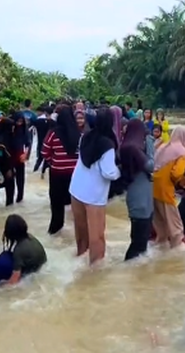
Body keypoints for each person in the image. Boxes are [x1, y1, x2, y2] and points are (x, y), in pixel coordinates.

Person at [69, 108, 120, 264]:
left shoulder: (85, 136)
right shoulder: (108, 144)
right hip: (94, 195)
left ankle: (80, 258)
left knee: (81, 230)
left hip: (76, 190)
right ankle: (95, 271)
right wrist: (120, 171)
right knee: (96, 235)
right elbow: (108, 173)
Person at [153, 126, 185, 249]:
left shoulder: (163, 146)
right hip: (165, 189)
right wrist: (178, 182)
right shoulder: (181, 152)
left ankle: (160, 249)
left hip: (153, 187)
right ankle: (177, 253)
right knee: (175, 225)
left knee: (161, 226)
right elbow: (177, 173)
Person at [42, 105, 80, 235]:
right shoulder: (78, 133)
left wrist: (52, 162)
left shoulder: (53, 133)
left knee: (57, 203)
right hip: (75, 175)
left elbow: (44, 151)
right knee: (76, 206)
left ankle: (55, 230)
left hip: (57, 173)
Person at [120, 119, 154, 260]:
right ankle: (128, 271)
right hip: (140, 202)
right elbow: (151, 166)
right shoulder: (133, 149)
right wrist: (151, 147)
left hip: (141, 199)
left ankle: (136, 274)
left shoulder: (127, 147)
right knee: (138, 244)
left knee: (140, 241)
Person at [0, 214, 47, 285]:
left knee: (3, 261)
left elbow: (14, 281)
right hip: (42, 268)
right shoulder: (30, 237)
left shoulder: (18, 251)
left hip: (31, 276)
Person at [10, 111, 29, 203]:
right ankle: (10, 199)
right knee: (10, 178)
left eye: (21, 122)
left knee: (20, 178)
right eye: (18, 121)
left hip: (20, 156)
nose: (19, 123)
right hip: (9, 156)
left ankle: (20, 197)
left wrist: (25, 154)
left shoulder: (24, 129)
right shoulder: (10, 128)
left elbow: (28, 143)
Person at [33, 106, 51, 177]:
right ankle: (43, 173)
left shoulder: (37, 121)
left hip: (40, 142)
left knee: (39, 159)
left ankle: (34, 171)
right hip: (48, 143)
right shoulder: (52, 122)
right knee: (47, 160)